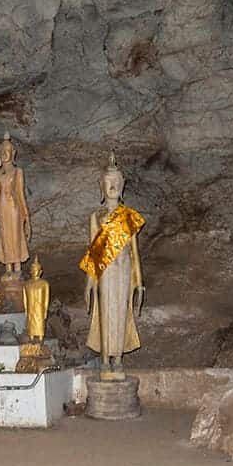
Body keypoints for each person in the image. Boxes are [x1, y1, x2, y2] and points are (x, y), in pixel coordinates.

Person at [80, 153, 146, 376]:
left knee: (121, 311)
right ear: (102, 185)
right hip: (106, 270)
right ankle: (105, 360)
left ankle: (117, 359)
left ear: (123, 185)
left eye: (117, 182)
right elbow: (94, 254)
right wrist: (89, 283)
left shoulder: (128, 216)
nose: (113, 185)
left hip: (124, 268)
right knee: (106, 311)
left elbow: (135, 252)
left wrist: (139, 282)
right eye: (109, 182)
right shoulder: (96, 217)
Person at [0, 132, 30, 277]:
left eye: (7, 151)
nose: (4, 154)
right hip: (3, 207)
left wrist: (26, 217)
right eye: (2, 152)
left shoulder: (17, 172)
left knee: (15, 235)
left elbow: (20, 194)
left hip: (14, 207)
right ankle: (8, 267)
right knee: (5, 236)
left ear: (13, 153)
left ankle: (17, 266)